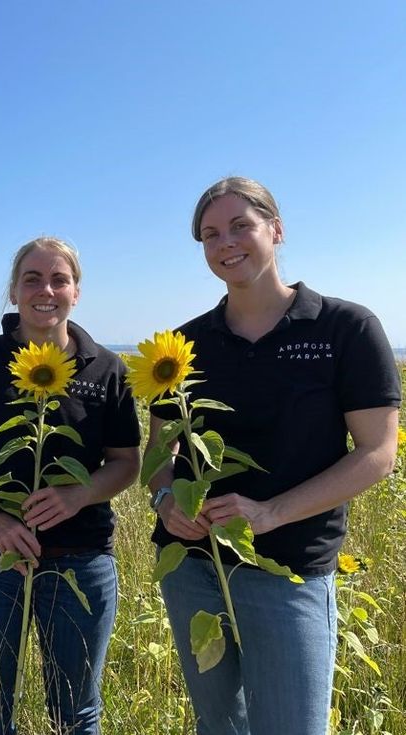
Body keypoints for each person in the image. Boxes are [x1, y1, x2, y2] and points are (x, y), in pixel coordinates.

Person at [146, 177, 401, 735]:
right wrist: (167, 501)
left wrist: (270, 513)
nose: (226, 242)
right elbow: (158, 454)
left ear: (276, 229)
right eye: (210, 234)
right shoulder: (182, 346)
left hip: (289, 568)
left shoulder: (345, 328)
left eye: (241, 225)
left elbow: (379, 453)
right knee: (220, 726)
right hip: (194, 568)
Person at [0, 237, 141, 735]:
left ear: (76, 292)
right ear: (13, 291)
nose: (45, 289)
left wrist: (80, 493)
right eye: (32, 279)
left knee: (76, 707)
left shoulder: (107, 369)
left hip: (82, 557)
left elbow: (126, 463)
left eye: (58, 279)